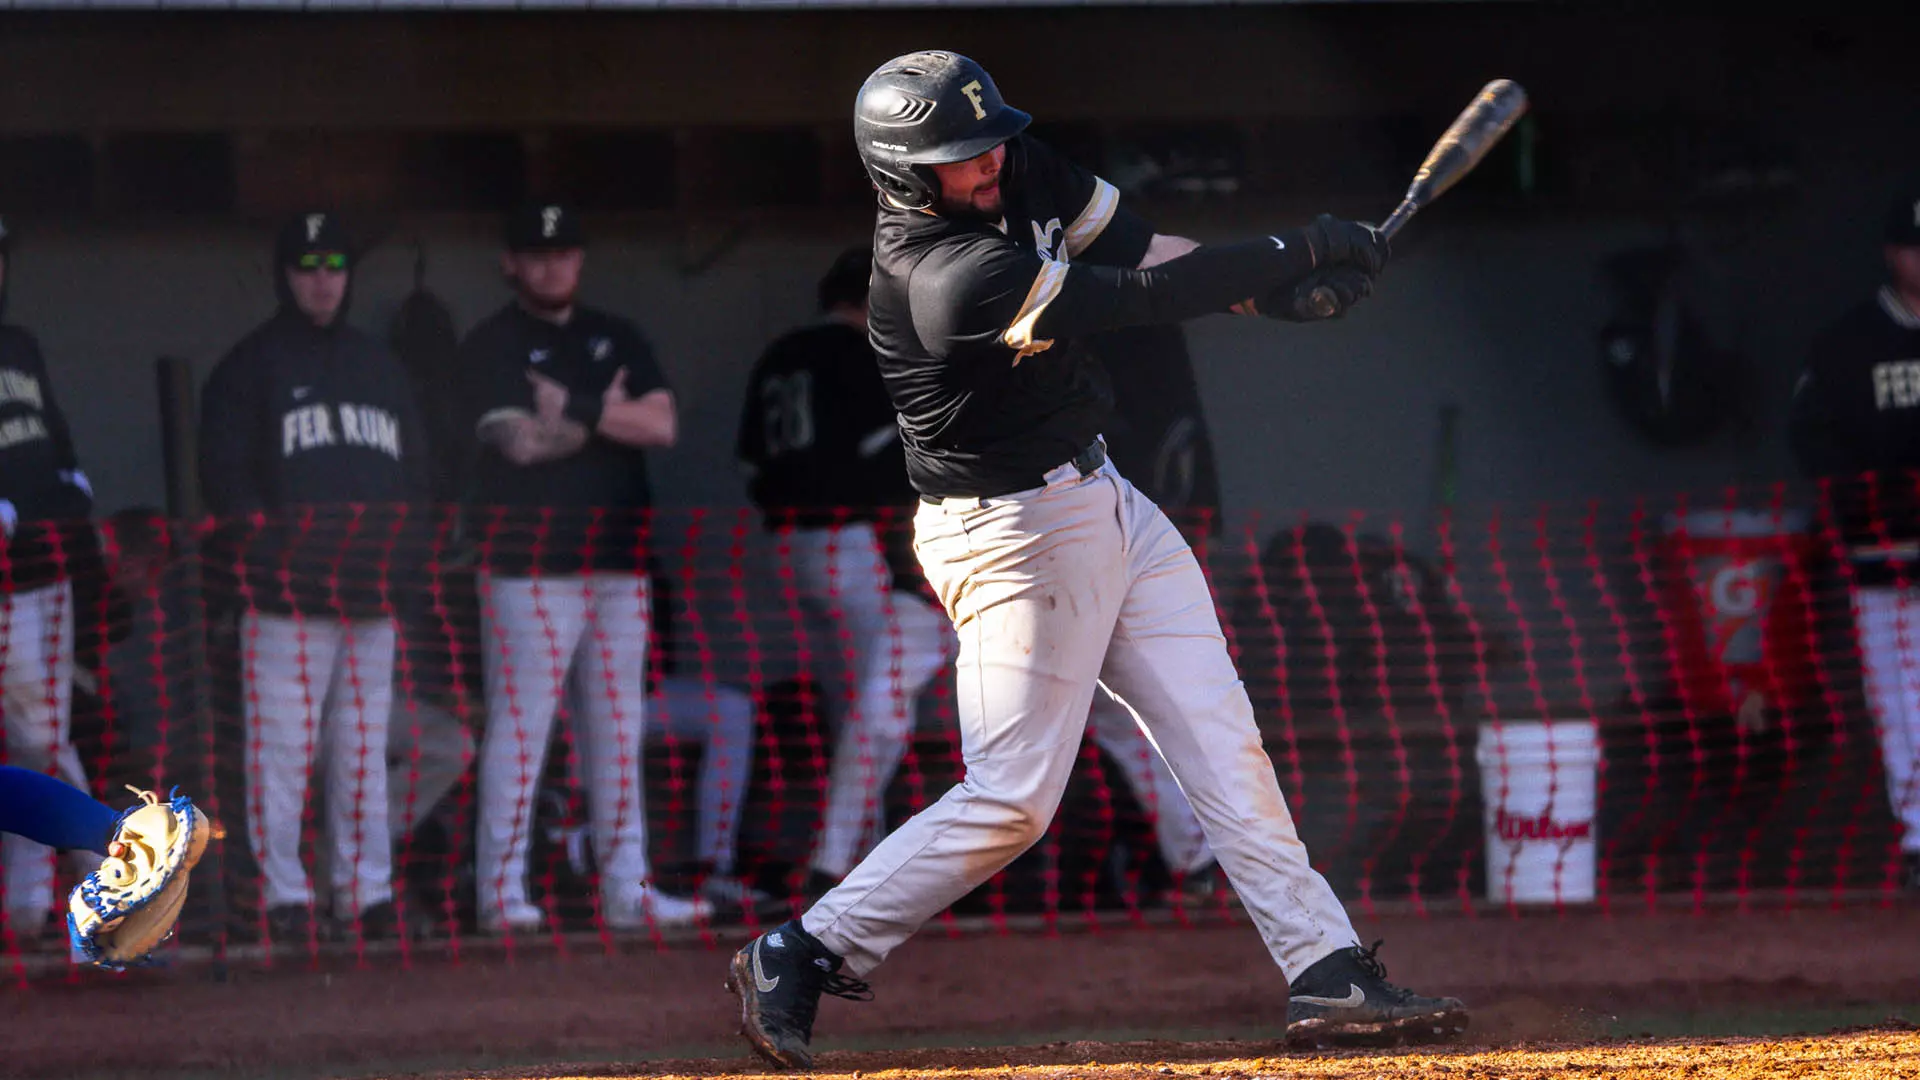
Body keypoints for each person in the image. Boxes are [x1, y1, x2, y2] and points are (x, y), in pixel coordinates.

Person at [725, 51, 1466, 1069]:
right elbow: (1138, 295)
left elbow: (1147, 243)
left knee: (1221, 737)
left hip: (1107, 494)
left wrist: (1269, 296)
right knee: (1014, 799)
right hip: (1011, 536)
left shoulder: (1014, 164)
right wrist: (1298, 248)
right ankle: (803, 949)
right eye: (958, 158)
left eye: (988, 143)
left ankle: (1326, 968)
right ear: (904, 173)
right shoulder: (941, 276)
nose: (987, 165)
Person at [458, 202, 707, 933]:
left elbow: (661, 425)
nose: (550, 265)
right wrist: (610, 415)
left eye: (563, 251)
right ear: (510, 261)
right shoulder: (493, 343)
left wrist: (576, 405)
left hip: (618, 565)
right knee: (522, 728)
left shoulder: (614, 334)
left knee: (618, 729)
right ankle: (501, 894)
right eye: (534, 253)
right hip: (527, 569)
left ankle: (627, 888)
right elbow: (522, 445)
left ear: (580, 258)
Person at [197, 211, 433, 944]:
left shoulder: (380, 365)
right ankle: (283, 895)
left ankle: (362, 891)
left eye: (335, 265)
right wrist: (274, 561)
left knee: (361, 750)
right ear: (285, 274)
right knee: (282, 752)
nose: (323, 279)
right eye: (308, 266)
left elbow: (418, 477)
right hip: (285, 603)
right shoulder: (251, 364)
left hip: (370, 599)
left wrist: (398, 566)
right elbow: (225, 479)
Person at [736, 247, 955, 898]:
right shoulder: (868, 356)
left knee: (854, 708)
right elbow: (896, 463)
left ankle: (858, 862)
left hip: (787, 550)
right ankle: (853, 865)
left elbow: (751, 467)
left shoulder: (781, 353)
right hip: (858, 547)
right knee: (876, 709)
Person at [1787, 175, 1920, 890]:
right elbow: (1813, 438)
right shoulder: (1850, 343)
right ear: (1891, 253)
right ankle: (1919, 841)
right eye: (1913, 247)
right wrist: (1873, 503)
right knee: (1902, 707)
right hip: (1883, 559)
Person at [0, 214, 104, 947]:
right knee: (37, 736)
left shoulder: (20, 346)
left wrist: (70, 493)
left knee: (40, 734)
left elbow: (56, 446)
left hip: (36, 575)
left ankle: (35, 902)